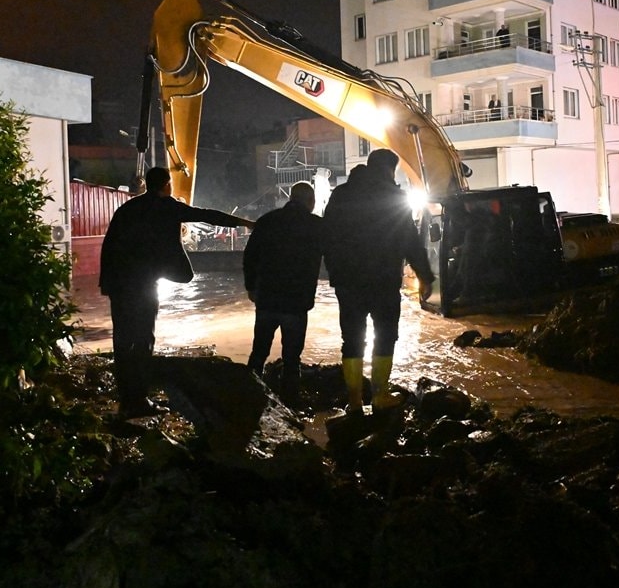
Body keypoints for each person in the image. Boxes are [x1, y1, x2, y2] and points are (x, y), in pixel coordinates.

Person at [99, 166, 254, 419]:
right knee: (144, 339)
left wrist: (106, 284)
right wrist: (245, 223)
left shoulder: (126, 209)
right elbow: (207, 215)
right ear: (166, 185)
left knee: (122, 341)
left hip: (119, 285)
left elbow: (109, 244)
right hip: (145, 284)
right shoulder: (167, 206)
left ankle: (127, 400)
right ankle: (138, 400)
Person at [323, 149, 434, 415]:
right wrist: (425, 275)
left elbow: (326, 237)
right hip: (383, 279)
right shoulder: (393, 195)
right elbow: (409, 238)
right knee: (385, 335)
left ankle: (354, 401)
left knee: (352, 338)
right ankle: (380, 395)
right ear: (389, 169)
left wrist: (335, 272)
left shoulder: (341, 195)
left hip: (348, 281)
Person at [243, 181, 322, 405]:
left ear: (290, 198)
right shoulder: (316, 225)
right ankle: (290, 402)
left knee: (258, 352)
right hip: (297, 302)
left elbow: (249, 257)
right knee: (291, 358)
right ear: (311, 202)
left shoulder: (267, 221)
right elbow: (336, 256)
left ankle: (248, 396)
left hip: (267, 298)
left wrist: (251, 287)